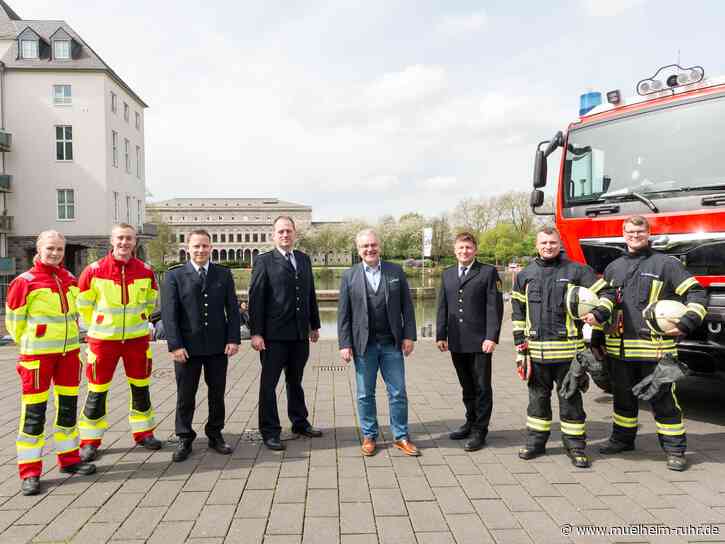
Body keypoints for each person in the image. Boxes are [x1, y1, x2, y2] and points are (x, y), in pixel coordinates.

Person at [584, 216, 706, 471]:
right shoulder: (613, 268)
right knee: (623, 398)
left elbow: (696, 293)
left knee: (663, 401)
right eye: (630, 231)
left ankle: (675, 450)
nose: (635, 235)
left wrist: (686, 323)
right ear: (623, 233)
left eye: (640, 231)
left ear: (648, 233)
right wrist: (596, 337)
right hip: (618, 349)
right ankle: (622, 440)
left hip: (657, 351)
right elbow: (607, 304)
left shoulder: (666, 264)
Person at [5, 231, 96, 495]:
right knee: (34, 415)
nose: (55, 253)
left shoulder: (68, 278)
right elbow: (14, 324)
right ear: (39, 249)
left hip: (68, 356)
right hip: (37, 360)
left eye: (59, 249)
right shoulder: (24, 281)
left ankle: (68, 460)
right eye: (50, 248)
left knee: (67, 409)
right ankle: (30, 471)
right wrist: (32, 345)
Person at [511, 226, 607, 468]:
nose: (548, 246)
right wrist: (520, 347)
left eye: (552, 242)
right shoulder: (525, 275)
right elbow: (517, 313)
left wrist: (598, 313)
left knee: (571, 402)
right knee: (537, 401)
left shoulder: (577, 271)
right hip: (536, 354)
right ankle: (535, 443)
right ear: (536, 245)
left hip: (569, 356)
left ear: (560, 244)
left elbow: (606, 293)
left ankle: (575, 447)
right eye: (543, 242)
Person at [76, 223, 162, 461]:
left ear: (135, 242)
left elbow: (150, 302)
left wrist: (139, 321)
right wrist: (101, 325)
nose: (124, 243)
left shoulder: (146, 271)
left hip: (136, 340)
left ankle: (144, 432)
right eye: (120, 238)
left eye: (129, 239)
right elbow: (83, 307)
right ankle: (90, 440)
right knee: (97, 391)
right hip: (103, 341)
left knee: (141, 388)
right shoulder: (93, 271)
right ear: (112, 241)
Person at [338, 228, 418, 457]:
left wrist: (409, 336)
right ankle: (369, 436)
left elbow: (407, 307)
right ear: (358, 250)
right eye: (365, 246)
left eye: (373, 245)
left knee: (398, 392)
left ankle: (401, 436)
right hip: (364, 345)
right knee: (365, 393)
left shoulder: (395, 271)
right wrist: (344, 344)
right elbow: (344, 314)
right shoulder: (349, 276)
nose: (370, 249)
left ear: (379, 247)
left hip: (392, 343)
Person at [162, 229, 241, 461]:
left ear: (211, 248)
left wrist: (233, 338)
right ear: (188, 249)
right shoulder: (175, 276)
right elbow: (169, 314)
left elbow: (233, 310)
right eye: (196, 246)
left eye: (205, 246)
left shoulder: (223, 274)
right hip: (187, 348)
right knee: (186, 395)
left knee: (217, 393)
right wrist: (175, 345)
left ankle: (215, 434)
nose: (200, 250)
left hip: (218, 346)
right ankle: (185, 437)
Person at [248, 216, 322, 450]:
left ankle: (299, 422)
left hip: (300, 334)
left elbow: (310, 292)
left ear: (294, 233)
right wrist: (256, 333)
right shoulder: (264, 261)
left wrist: (314, 324)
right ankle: (270, 430)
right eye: (280, 232)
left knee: (295, 380)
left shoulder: (303, 259)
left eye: (288, 231)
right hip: (273, 336)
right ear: (273, 235)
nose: (285, 235)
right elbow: (256, 299)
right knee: (269, 384)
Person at [436, 232, 503, 452]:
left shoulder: (487, 272)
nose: (464, 251)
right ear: (454, 250)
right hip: (457, 340)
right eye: (461, 248)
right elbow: (442, 307)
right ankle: (470, 421)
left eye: (468, 248)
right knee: (467, 386)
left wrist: (491, 337)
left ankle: (480, 431)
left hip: (480, 341)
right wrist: (440, 335)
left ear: (475, 250)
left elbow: (494, 307)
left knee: (482, 386)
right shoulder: (447, 274)